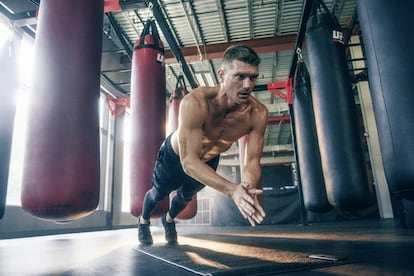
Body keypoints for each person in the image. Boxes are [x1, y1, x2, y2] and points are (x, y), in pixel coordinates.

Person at [138, 44, 268, 245]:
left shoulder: (257, 114)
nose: (247, 85)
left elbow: (252, 162)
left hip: (208, 161)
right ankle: (144, 220)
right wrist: (232, 190)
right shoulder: (195, 102)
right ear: (221, 74)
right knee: (158, 194)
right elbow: (188, 162)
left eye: (253, 77)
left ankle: (170, 219)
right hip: (176, 156)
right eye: (240, 76)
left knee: (184, 198)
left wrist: (246, 187)